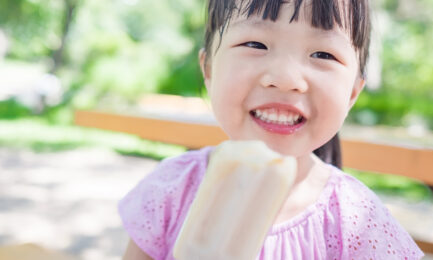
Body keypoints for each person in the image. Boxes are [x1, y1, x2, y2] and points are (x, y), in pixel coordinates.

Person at [119, 0, 424, 259]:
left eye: (323, 54)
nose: (285, 77)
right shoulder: (171, 190)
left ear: (352, 94)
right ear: (209, 71)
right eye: (255, 44)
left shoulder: (358, 222)